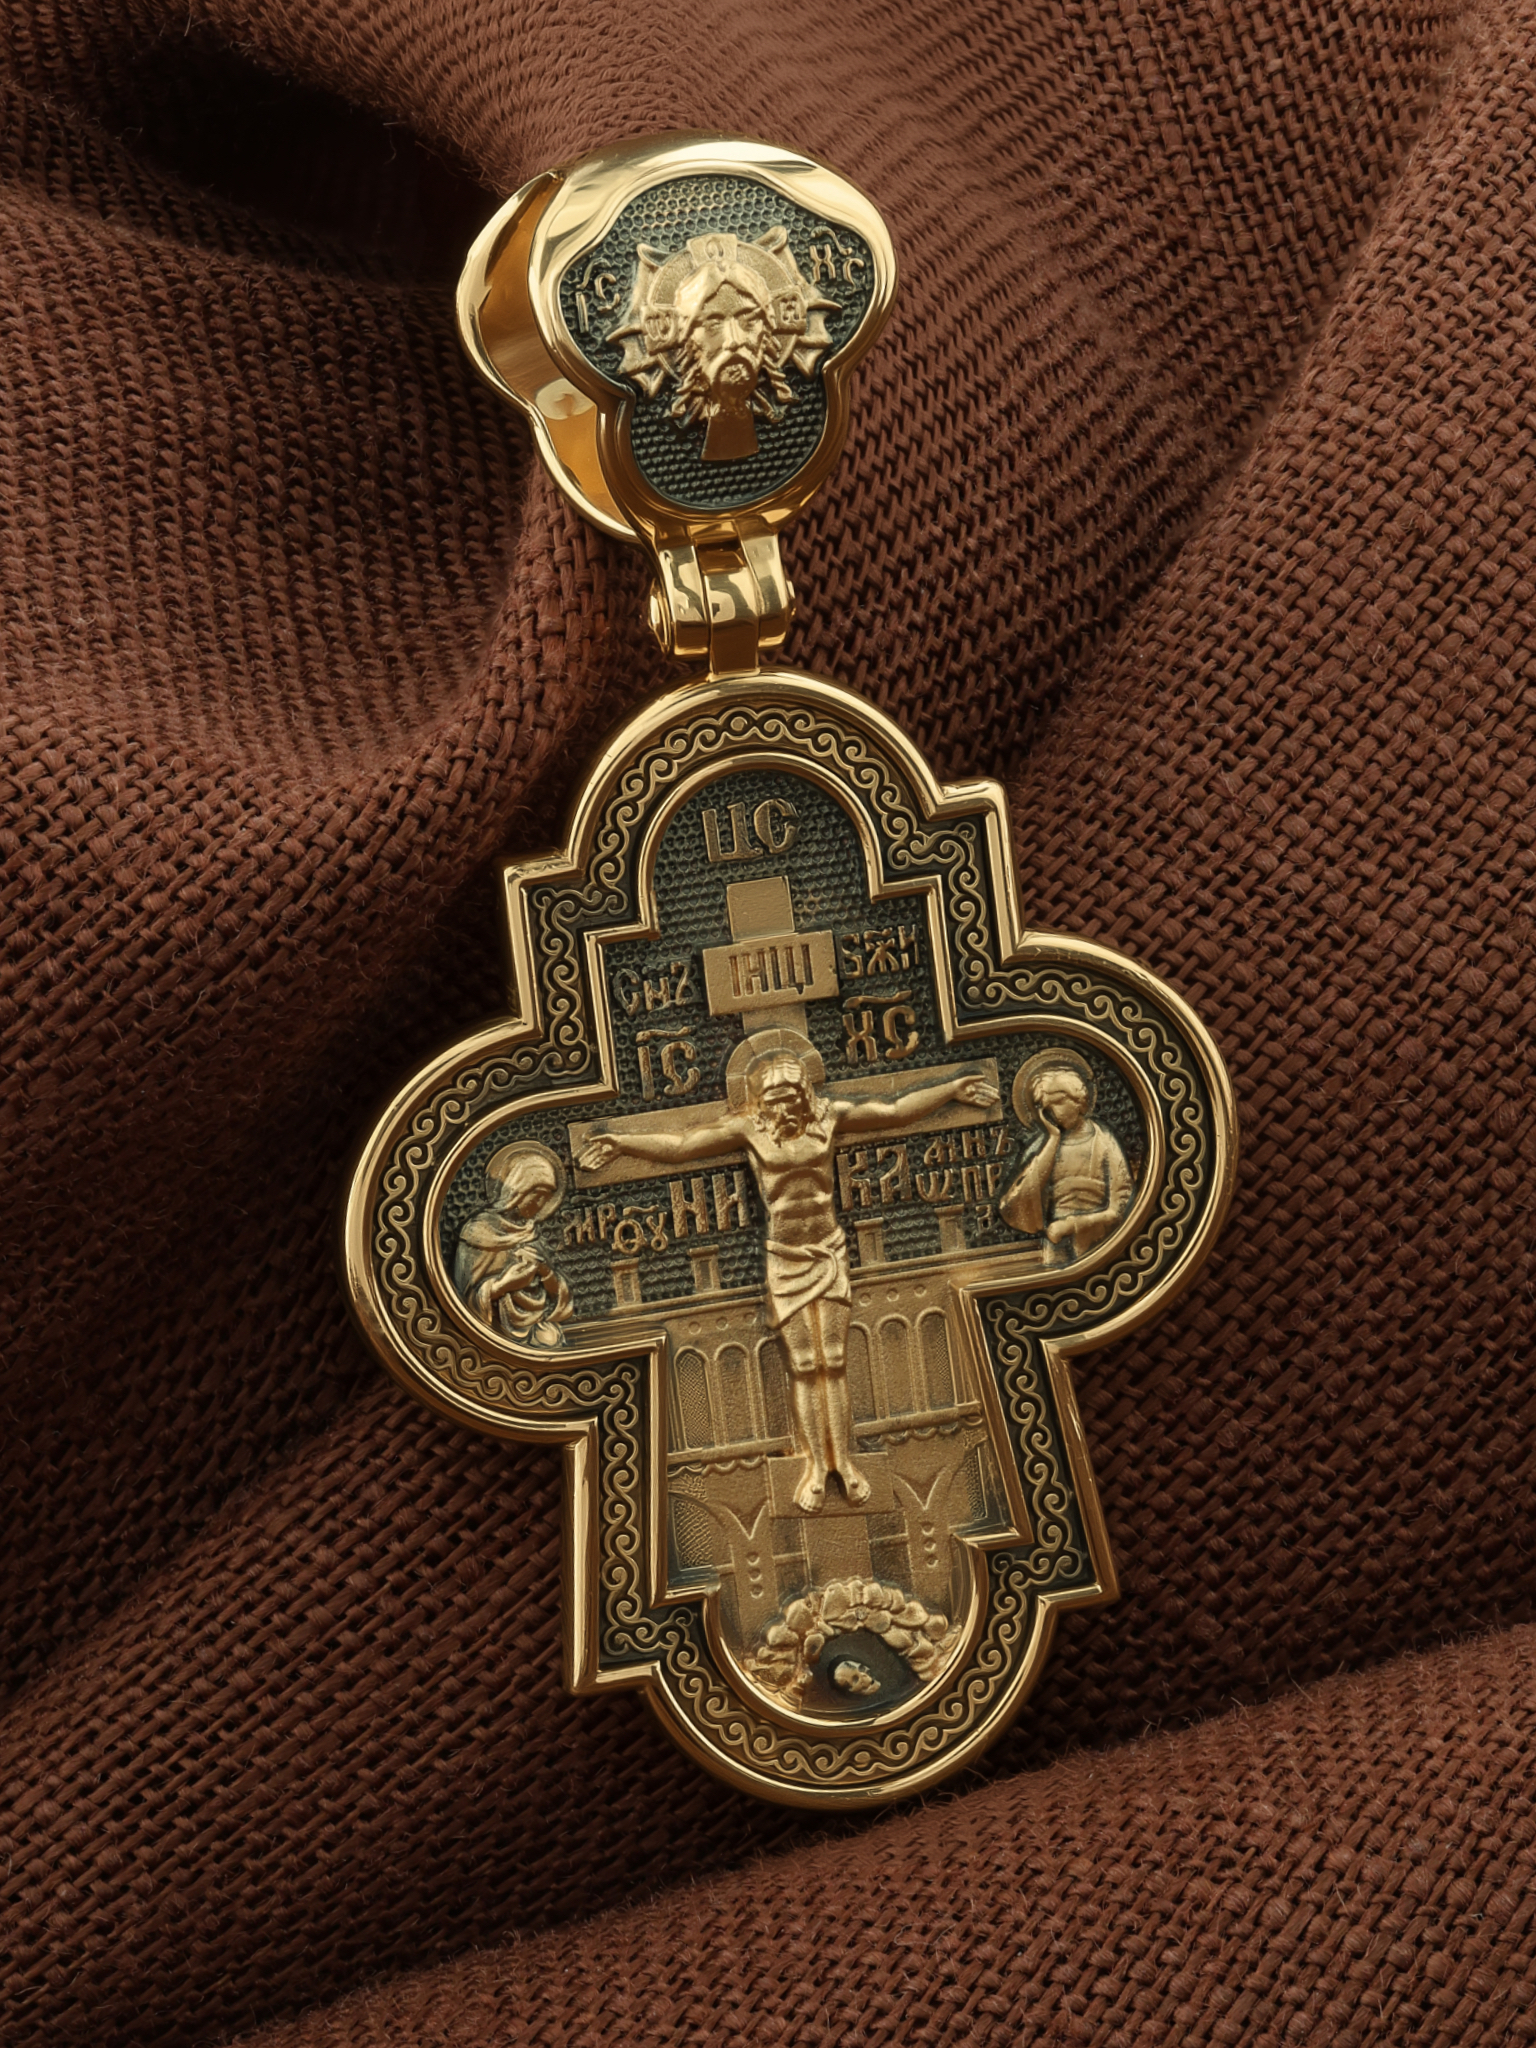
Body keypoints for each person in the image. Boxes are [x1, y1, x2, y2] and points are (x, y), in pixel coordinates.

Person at [578, 1046, 999, 1512]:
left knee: (833, 1361)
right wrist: (622, 1142)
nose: (784, 1106)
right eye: (773, 1098)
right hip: (785, 1259)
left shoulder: (829, 1117)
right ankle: (816, 1466)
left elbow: (895, 1110)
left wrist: (951, 1089)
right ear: (760, 1100)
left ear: (805, 1092)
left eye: (791, 1095)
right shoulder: (748, 1129)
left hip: (828, 1252)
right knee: (804, 1365)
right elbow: (682, 1146)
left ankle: (845, 1463)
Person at [1000, 1066, 1133, 1264]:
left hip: (1101, 1242)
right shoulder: (1041, 1148)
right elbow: (1019, 1203)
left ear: (1079, 1101)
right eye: (1045, 1107)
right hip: (1056, 1244)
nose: (1052, 1112)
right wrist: (1052, 1140)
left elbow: (1121, 1207)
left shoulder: (1104, 1142)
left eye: (1058, 1102)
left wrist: (1071, 1225)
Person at [454, 1145, 572, 1349]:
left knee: (549, 1338)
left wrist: (545, 1272)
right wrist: (502, 1285)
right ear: (518, 1190)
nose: (540, 1204)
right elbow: (461, 1298)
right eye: (537, 1195)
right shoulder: (478, 1232)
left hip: (534, 1323)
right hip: (491, 1333)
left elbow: (558, 1293)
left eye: (546, 1198)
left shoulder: (530, 1232)